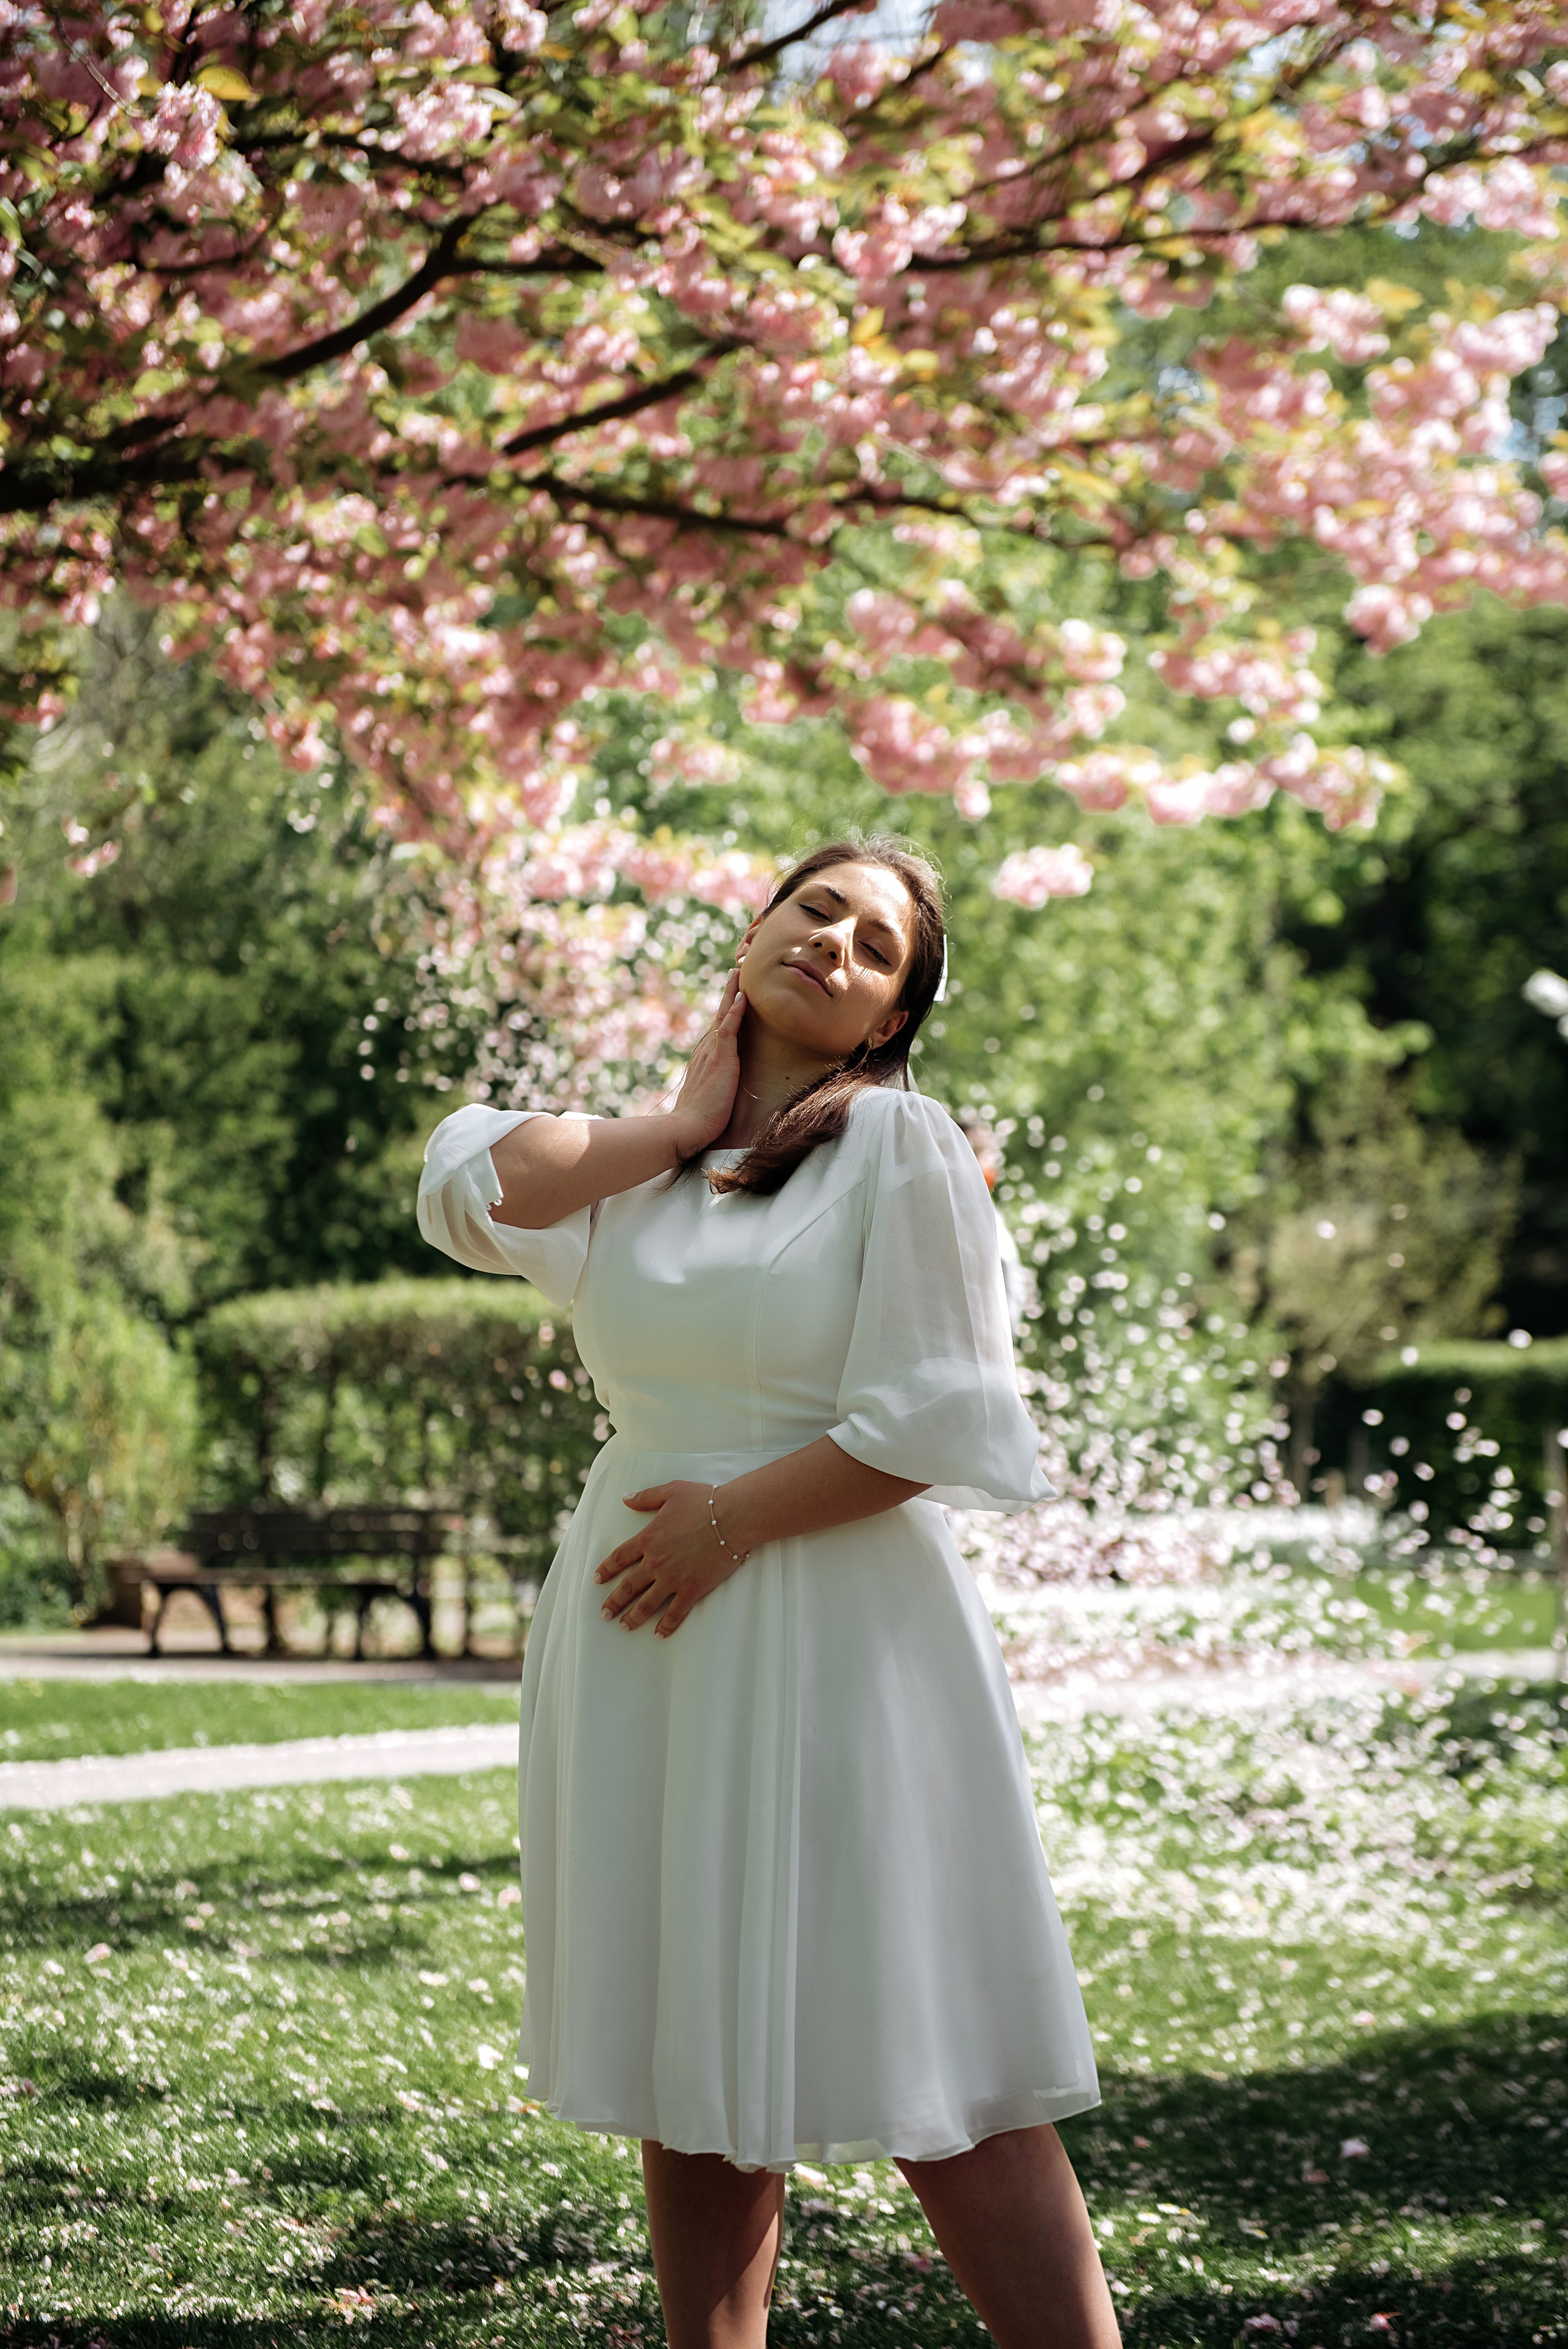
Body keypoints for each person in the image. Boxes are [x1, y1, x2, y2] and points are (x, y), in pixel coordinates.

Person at [417, 838, 1119, 2349]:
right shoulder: (640, 1165)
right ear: (753, 926)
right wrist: (674, 1119)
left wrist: (725, 1523)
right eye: (816, 909)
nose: (835, 944)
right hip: (647, 1636)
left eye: (877, 949)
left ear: (884, 1023)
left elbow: (939, 1419)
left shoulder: (901, 1149)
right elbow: (464, 1188)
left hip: (835, 1624)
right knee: (696, 2044)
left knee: (929, 2022)